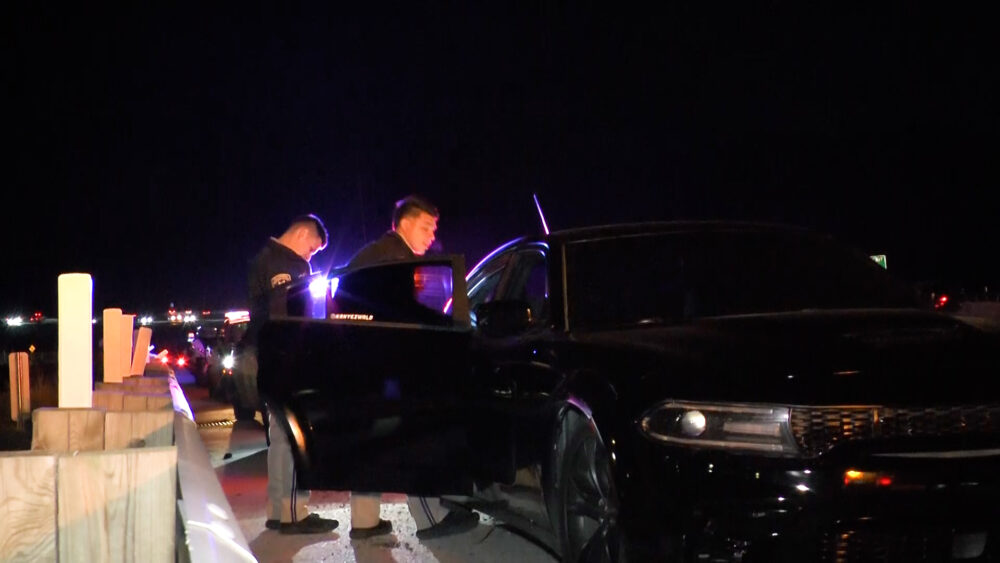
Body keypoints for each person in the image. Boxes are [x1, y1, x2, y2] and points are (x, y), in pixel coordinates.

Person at [344, 195, 480, 540]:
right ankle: (431, 518)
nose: (432, 237)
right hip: (389, 366)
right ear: (404, 223)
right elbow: (406, 317)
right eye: (426, 227)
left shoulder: (371, 254)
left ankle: (364, 522)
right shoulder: (396, 259)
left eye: (434, 230)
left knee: (372, 442)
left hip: (363, 365)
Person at [245, 213, 339, 534]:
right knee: (296, 435)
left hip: (270, 359)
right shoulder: (288, 266)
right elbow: (294, 317)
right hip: (288, 361)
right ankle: (295, 513)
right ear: (301, 234)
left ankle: (278, 510)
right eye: (312, 249)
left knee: (279, 436)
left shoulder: (261, 259)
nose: (311, 257)